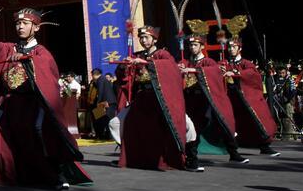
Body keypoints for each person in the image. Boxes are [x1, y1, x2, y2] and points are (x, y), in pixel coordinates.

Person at [0, 9, 88, 189]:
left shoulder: (41, 52)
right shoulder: (9, 48)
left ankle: (57, 173)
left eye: (25, 23)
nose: (20, 26)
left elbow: (46, 68)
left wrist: (27, 59)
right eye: (17, 23)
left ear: (36, 27)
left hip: (33, 103)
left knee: (43, 130)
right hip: (8, 103)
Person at [114, 26, 187, 170]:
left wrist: (147, 64)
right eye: (141, 37)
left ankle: (187, 155)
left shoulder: (162, 54)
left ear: (154, 39)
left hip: (159, 99)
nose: (143, 40)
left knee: (178, 126)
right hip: (142, 99)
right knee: (122, 124)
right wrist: (125, 67)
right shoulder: (138, 55)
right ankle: (133, 157)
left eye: (146, 37)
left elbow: (170, 68)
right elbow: (126, 79)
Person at [180, 34, 247, 166]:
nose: (192, 47)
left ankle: (233, 153)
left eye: (195, 45)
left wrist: (194, 70)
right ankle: (191, 157)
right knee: (193, 127)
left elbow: (213, 71)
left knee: (222, 123)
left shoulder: (208, 62)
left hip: (207, 101)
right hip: (190, 100)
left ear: (202, 47)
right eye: (191, 45)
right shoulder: (186, 61)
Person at [224, 36, 280, 156]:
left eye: (234, 47)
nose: (231, 49)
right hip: (231, 97)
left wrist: (237, 73)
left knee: (257, 119)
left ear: (239, 48)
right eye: (229, 47)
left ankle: (264, 145)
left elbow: (252, 74)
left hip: (245, 96)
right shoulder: (225, 63)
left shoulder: (246, 63)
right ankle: (231, 148)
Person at [89, 68, 117, 140]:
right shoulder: (101, 79)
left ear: (94, 75)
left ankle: (110, 136)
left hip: (108, 102)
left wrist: (98, 103)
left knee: (109, 120)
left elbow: (100, 92)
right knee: (101, 119)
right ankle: (103, 135)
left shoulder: (101, 79)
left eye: (92, 75)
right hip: (105, 102)